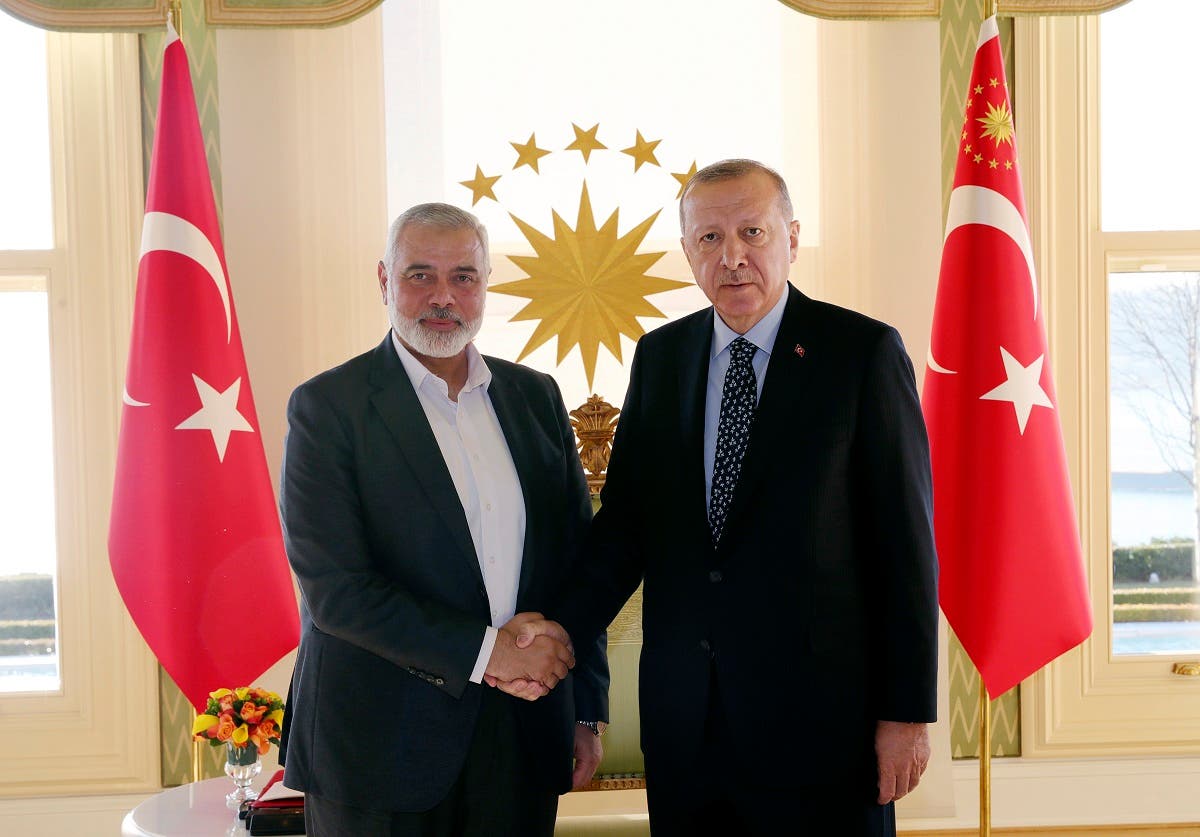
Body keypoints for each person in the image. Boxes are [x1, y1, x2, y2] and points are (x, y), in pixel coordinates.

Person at [505, 159, 938, 835]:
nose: (732, 257)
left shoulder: (861, 354)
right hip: (688, 731)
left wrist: (906, 713)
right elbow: (625, 530)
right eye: (709, 239)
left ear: (791, 238)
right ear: (686, 252)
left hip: (823, 731)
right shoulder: (661, 358)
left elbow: (906, 549)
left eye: (752, 232)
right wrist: (558, 627)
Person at [277, 202, 609, 837]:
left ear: (486, 285)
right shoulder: (328, 407)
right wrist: (489, 654)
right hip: (378, 748)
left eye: (464, 277)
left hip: (524, 737)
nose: (443, 297)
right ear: (383, 280)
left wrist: (585, 709)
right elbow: (335, 591)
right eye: (420, 275)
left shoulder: (536, 397)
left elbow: (576, 564)